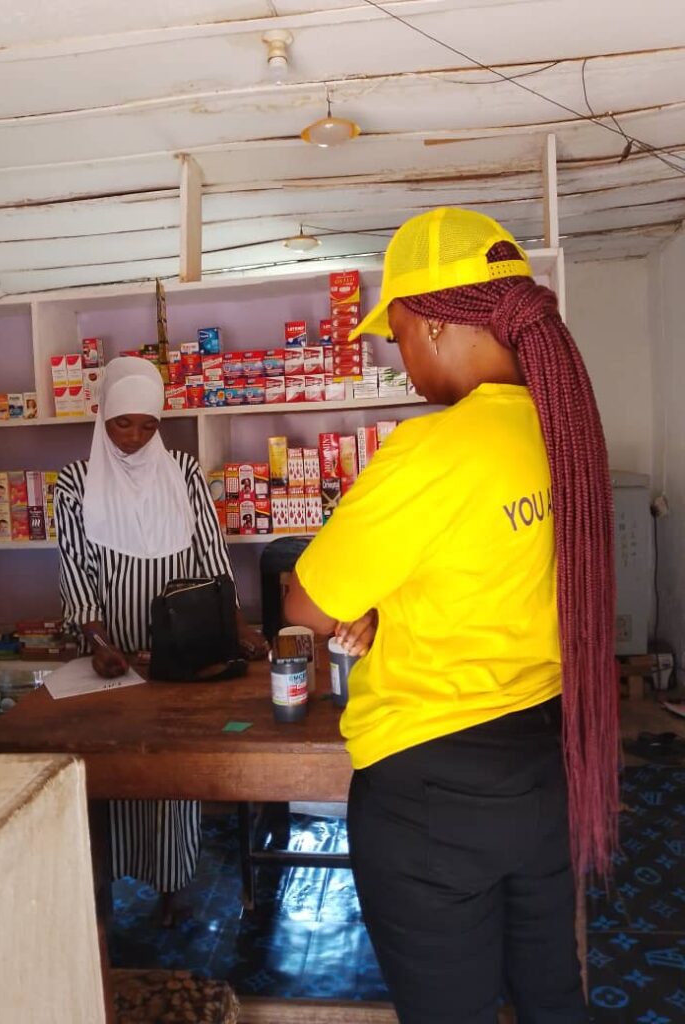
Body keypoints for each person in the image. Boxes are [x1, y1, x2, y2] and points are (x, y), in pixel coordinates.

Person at [285, 207, 617, 1024]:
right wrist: (390, 606)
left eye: (399, 337)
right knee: (552, 997)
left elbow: (306, 604)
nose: (403, 363)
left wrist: (365, 609)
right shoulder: (563, 427)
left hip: (431, 796)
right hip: (545, 764)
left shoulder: (431, 451)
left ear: (432, 323)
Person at [55, 355, 267, 922]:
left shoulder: (184, 471)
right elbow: (76, 569)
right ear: (102, 417)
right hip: (114, 644)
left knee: (172, 759)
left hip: (182, 638)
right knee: (116, 756)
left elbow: (211, 553)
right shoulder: (75, 483)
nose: (133, 437)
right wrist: (99, 642)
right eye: (122, 424)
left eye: (147, 425)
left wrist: (238, 625)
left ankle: (172, 882)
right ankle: (107, 881)